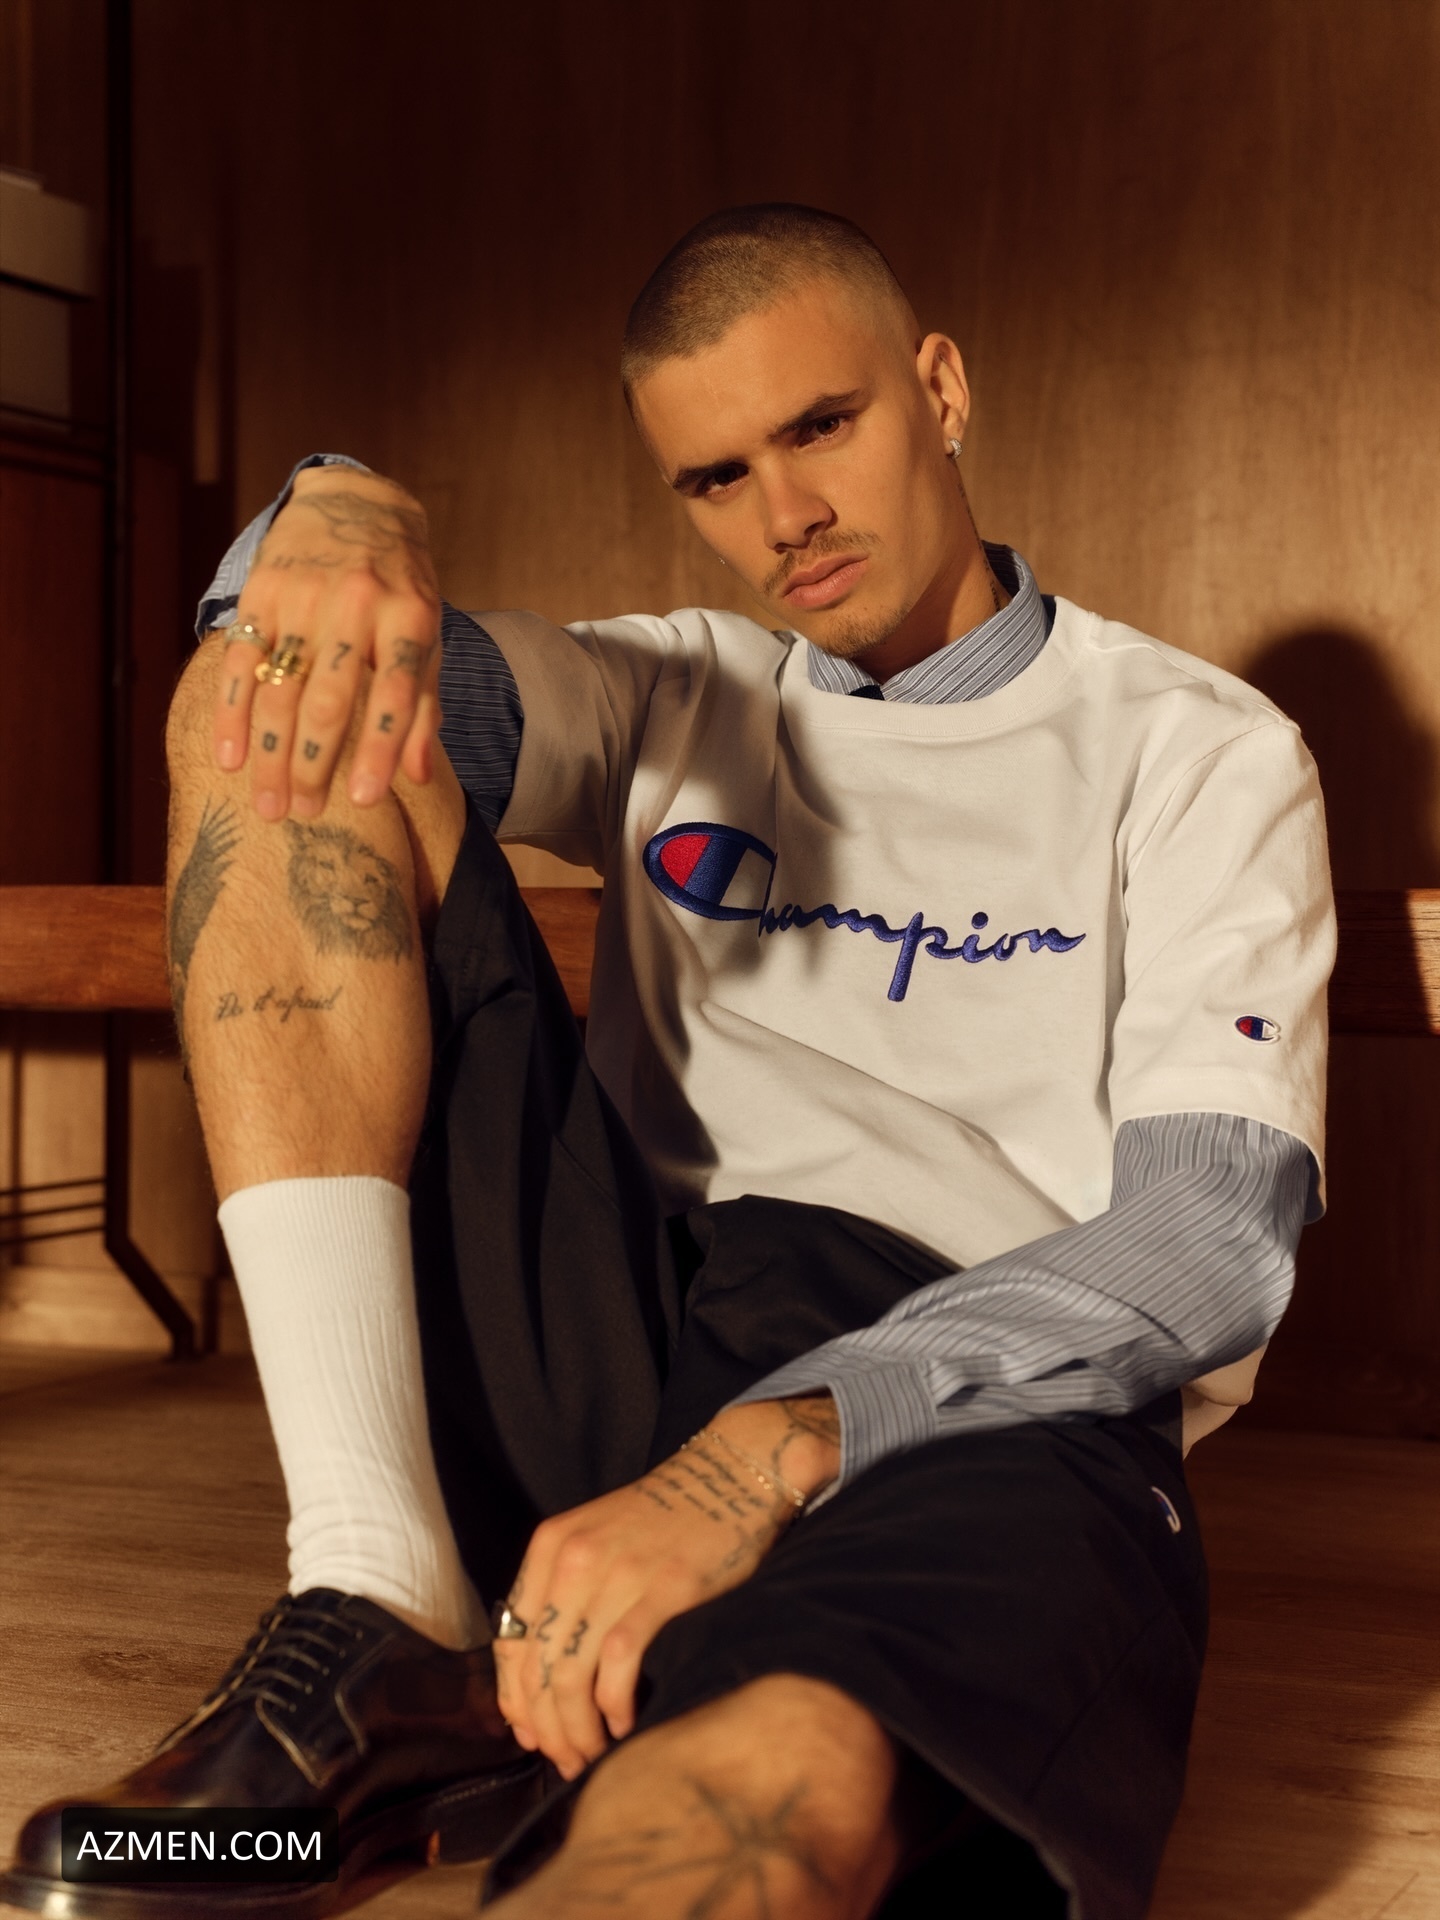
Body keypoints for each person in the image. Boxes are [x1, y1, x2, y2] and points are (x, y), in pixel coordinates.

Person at [4, 204, 1333, 1920]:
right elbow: (311, 665)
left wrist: (756, 1456)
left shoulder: (1197, 748)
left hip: (969, 1395)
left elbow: (1210, 1238)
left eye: (820, 427)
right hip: (628, 1311)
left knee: (735, 1808)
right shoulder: (675, 690)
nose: (785, 517)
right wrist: (343, 502)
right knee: (272, 699)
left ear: (939, 390)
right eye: (716, 477)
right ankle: (372, 1596)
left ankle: (519, 1733)